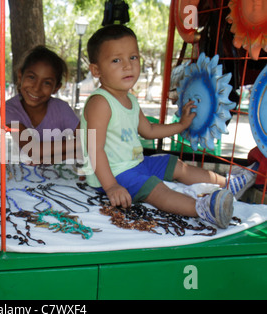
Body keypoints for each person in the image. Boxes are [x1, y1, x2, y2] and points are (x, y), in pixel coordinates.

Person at [80, 24, 255, 229]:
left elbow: (149, 131)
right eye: (116, 60)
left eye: (133, 57)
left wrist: (181, 125)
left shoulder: (130, 100)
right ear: (96, 70)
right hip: (112, 174)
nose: (127, 66)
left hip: (134, 163)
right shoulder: (100, 102)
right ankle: (202, 208)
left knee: (175, 164)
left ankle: (228, 184)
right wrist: (111, 187)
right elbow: (94, 147)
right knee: (156, 189)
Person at [6, 45, 80, 163]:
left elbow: (91, 144)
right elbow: (32, 150)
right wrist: (78, 146)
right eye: (31, 77)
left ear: (56, 88)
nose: (36, 88)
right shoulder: (9, 109)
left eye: (46, 83)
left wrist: (47, 159)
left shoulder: (62, 108)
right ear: (20, 77)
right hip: (26, 175)